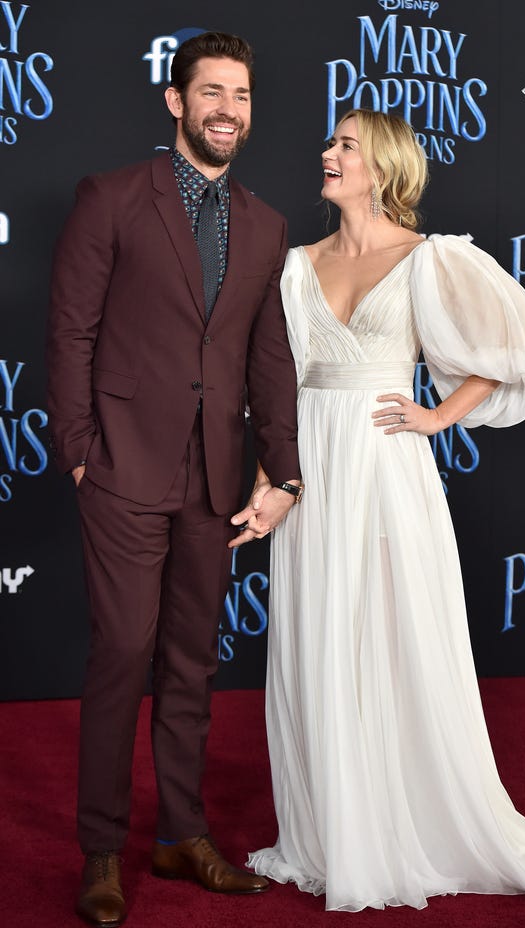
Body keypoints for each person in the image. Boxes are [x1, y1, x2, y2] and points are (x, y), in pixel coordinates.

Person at [234, 109, 525, 911]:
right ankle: (333, 834)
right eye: (330, 142)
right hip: (312, 471)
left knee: (394, 638)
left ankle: (408, 827)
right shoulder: (294, 266)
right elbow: (276, 394)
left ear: (384, 166)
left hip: (386, 467)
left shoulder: (430, 259)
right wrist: (270, 482)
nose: (327, 153)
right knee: (320, 639)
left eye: (346, 145)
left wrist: (439, 416)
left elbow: (523, 353)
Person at [47, 31, 303, 928]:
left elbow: (269, 360)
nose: (228, 110)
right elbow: (71, 332)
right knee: (123, 654)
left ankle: (182, 835)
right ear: (176, 102)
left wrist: (286, 475)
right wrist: (80, 449)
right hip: (120, 467)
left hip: (216, 480)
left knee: (192, 664)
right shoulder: (113, 197)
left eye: (242, 95)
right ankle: (102, 848)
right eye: (212, 93)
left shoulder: (267, 225)